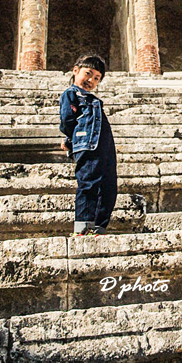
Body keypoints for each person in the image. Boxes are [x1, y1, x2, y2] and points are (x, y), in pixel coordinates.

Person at [59, 53, 118, 236]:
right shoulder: (71, 94)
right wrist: (71, 140)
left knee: (109, 187)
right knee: (88, 184)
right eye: (88, 73)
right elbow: (67, 120)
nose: (91, 80)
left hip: (104, 149)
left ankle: (99, 226)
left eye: (96, 78)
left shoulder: (93, 100)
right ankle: (83, 227)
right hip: (87, 145)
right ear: (75, 71)